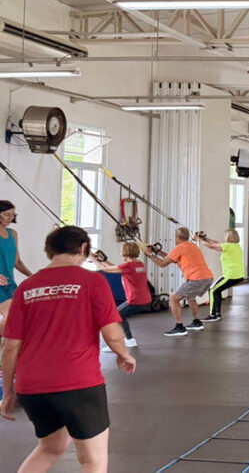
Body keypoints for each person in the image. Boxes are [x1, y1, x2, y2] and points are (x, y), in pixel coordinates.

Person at [1, 226, 137, 473]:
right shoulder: (92, 281)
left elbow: (10, 346)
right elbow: (111, 332)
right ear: (84, 249)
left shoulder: (26, 287)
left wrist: (8, 392)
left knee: (50, 448)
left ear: (49, 251)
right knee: (92, 459)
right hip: (77, 383)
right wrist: (123, 354)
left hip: (31, 387)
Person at [146, 227, 215, 336]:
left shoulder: (179, 248)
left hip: (196, 278)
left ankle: (179, 327)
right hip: (208, 277)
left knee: (173, 299)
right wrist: (157, 251)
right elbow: (172, 258)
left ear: (177, 237)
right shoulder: (192, 246)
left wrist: (150, 255)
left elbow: (162, 264)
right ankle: (197, 322)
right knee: (190, 297)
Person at [90, 242, 150, 349]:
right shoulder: (139, 264)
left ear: (126, 253)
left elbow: (106, 269)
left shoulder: (129, 266)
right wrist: (104, 260)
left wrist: (92, 258)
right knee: (120, 315)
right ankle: (130, 339)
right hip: (144, 300)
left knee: (112, 316)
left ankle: (115, 344)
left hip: (135, 301)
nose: (120, 254)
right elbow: (117, 268)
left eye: (121, 252)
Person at [195, 230, 246, 322]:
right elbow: (215, 243)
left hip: (230, 275)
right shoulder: (235, 246)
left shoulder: (227, 246)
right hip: (237, 275)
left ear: (228, 237)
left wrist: (199, 240)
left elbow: (211, 246)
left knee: (212, 290)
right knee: (216, 290)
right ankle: (217, 314)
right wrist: (204, 238)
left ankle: (213, 315)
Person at [0, 200, 34, 339]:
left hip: (10, 283)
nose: (10, 218)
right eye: (6, 214)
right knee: (9, 318)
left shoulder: (12, 234)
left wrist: (32, 276)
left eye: (13, 215)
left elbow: (17, 262)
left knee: (18, 319)